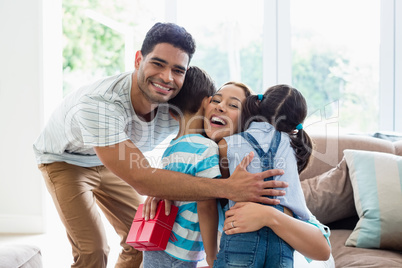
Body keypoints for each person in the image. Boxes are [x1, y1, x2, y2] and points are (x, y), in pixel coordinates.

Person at [33, 22, 286, 268]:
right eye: (158, 63)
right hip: (66, 159)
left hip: (115, 159)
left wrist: (163, 184)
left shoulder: (177, 104)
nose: (167, 77)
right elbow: (142, 177)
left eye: (178, 70)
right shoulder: (100, 104)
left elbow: (220, 118)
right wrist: (226, 188)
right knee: (94, 249)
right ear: (137, 60)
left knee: (140, 239)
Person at [213, 84, 331, 267]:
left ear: (255, 107)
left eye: (234, 105)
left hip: (241, 235)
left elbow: (323, 249)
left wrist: (268, 215)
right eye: (216, 100)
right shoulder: (292, 146)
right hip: (281, 245)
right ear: (294, 128)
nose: (221, 108)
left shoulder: (226, 146)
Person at [142, 66, 220, 267]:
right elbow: (206, 204)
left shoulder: (170, 148)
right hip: (181, 252)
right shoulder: (207, 148)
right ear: (207, 103)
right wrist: (212, 257)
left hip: (158, 242)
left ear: (171, 113)